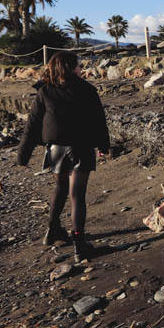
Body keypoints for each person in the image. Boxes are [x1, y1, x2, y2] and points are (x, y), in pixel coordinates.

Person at [17, 50, 110, 262]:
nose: (81, 68)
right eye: (78, 65)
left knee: (60, 189)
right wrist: (104, 145)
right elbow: (98, 121)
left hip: (56, 149)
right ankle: (79, 244)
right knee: (77, 194)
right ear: (69, 67)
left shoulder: (45, 91)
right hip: (81, 148)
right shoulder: (87, 90)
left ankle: (53, 231)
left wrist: (23, 155)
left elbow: (32, 124)